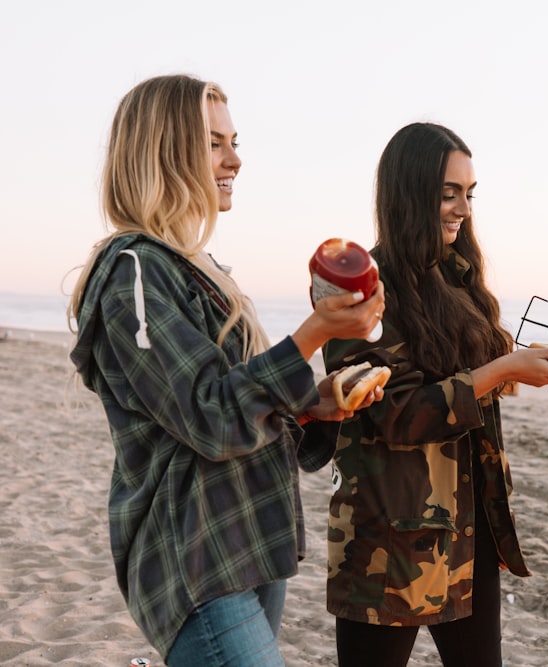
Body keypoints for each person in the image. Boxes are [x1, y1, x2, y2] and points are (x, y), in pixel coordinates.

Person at [68, 74, 385, 666]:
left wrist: (315, 403)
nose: (235, 159)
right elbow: (211, 417)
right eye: (214, 143)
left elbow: (242, 416)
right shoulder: (134, 275)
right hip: (194, 558)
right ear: (164, 151)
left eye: (233, 141)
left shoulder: (200, 272)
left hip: (248, 539)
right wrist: (316, 331)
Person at [298, 122, 548, 667]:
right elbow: (397, 415)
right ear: (409, 193)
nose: (462, 209)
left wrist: (524, 368)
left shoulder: (456, 277)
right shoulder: (362, 287)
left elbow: (476, 379)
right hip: (387, 538)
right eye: (448, 193)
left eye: (469, 194)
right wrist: (502, 368)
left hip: (468, 524)